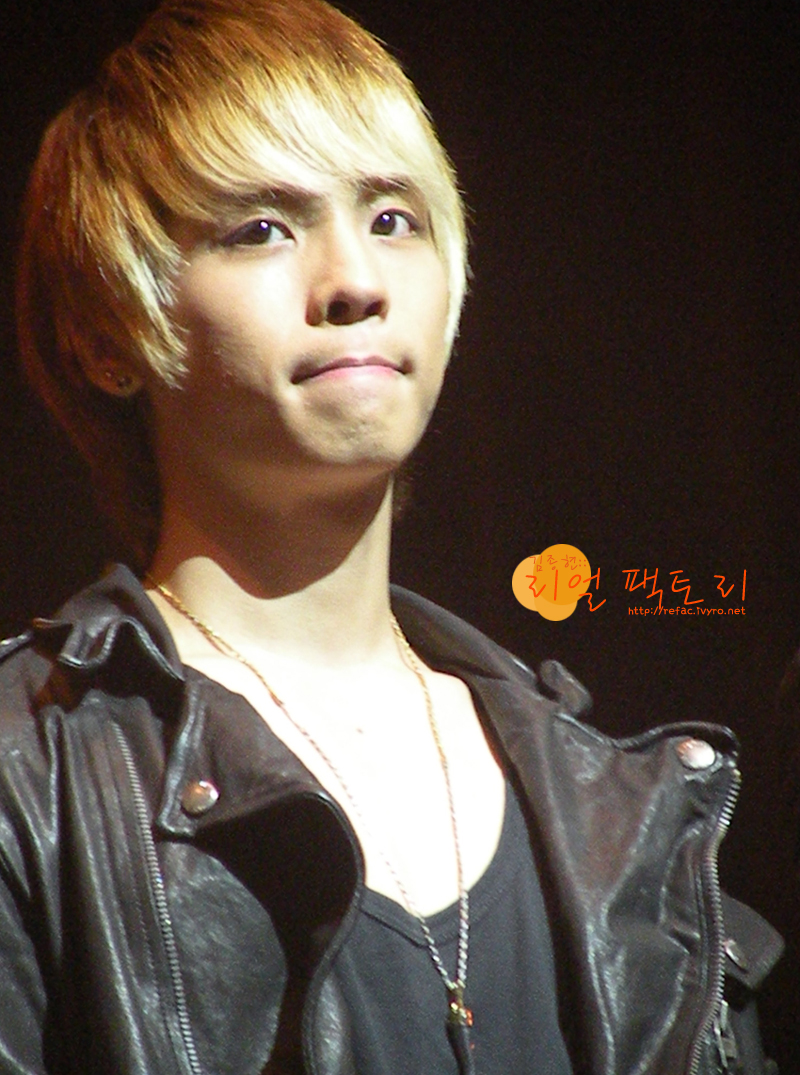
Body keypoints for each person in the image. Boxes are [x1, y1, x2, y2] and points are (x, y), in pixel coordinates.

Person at [2, 0, 782, 1072]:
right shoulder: (32, 777)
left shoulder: (623, 810)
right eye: (261, 228)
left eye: (392, 219)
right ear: (105, 333)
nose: (357, 283)